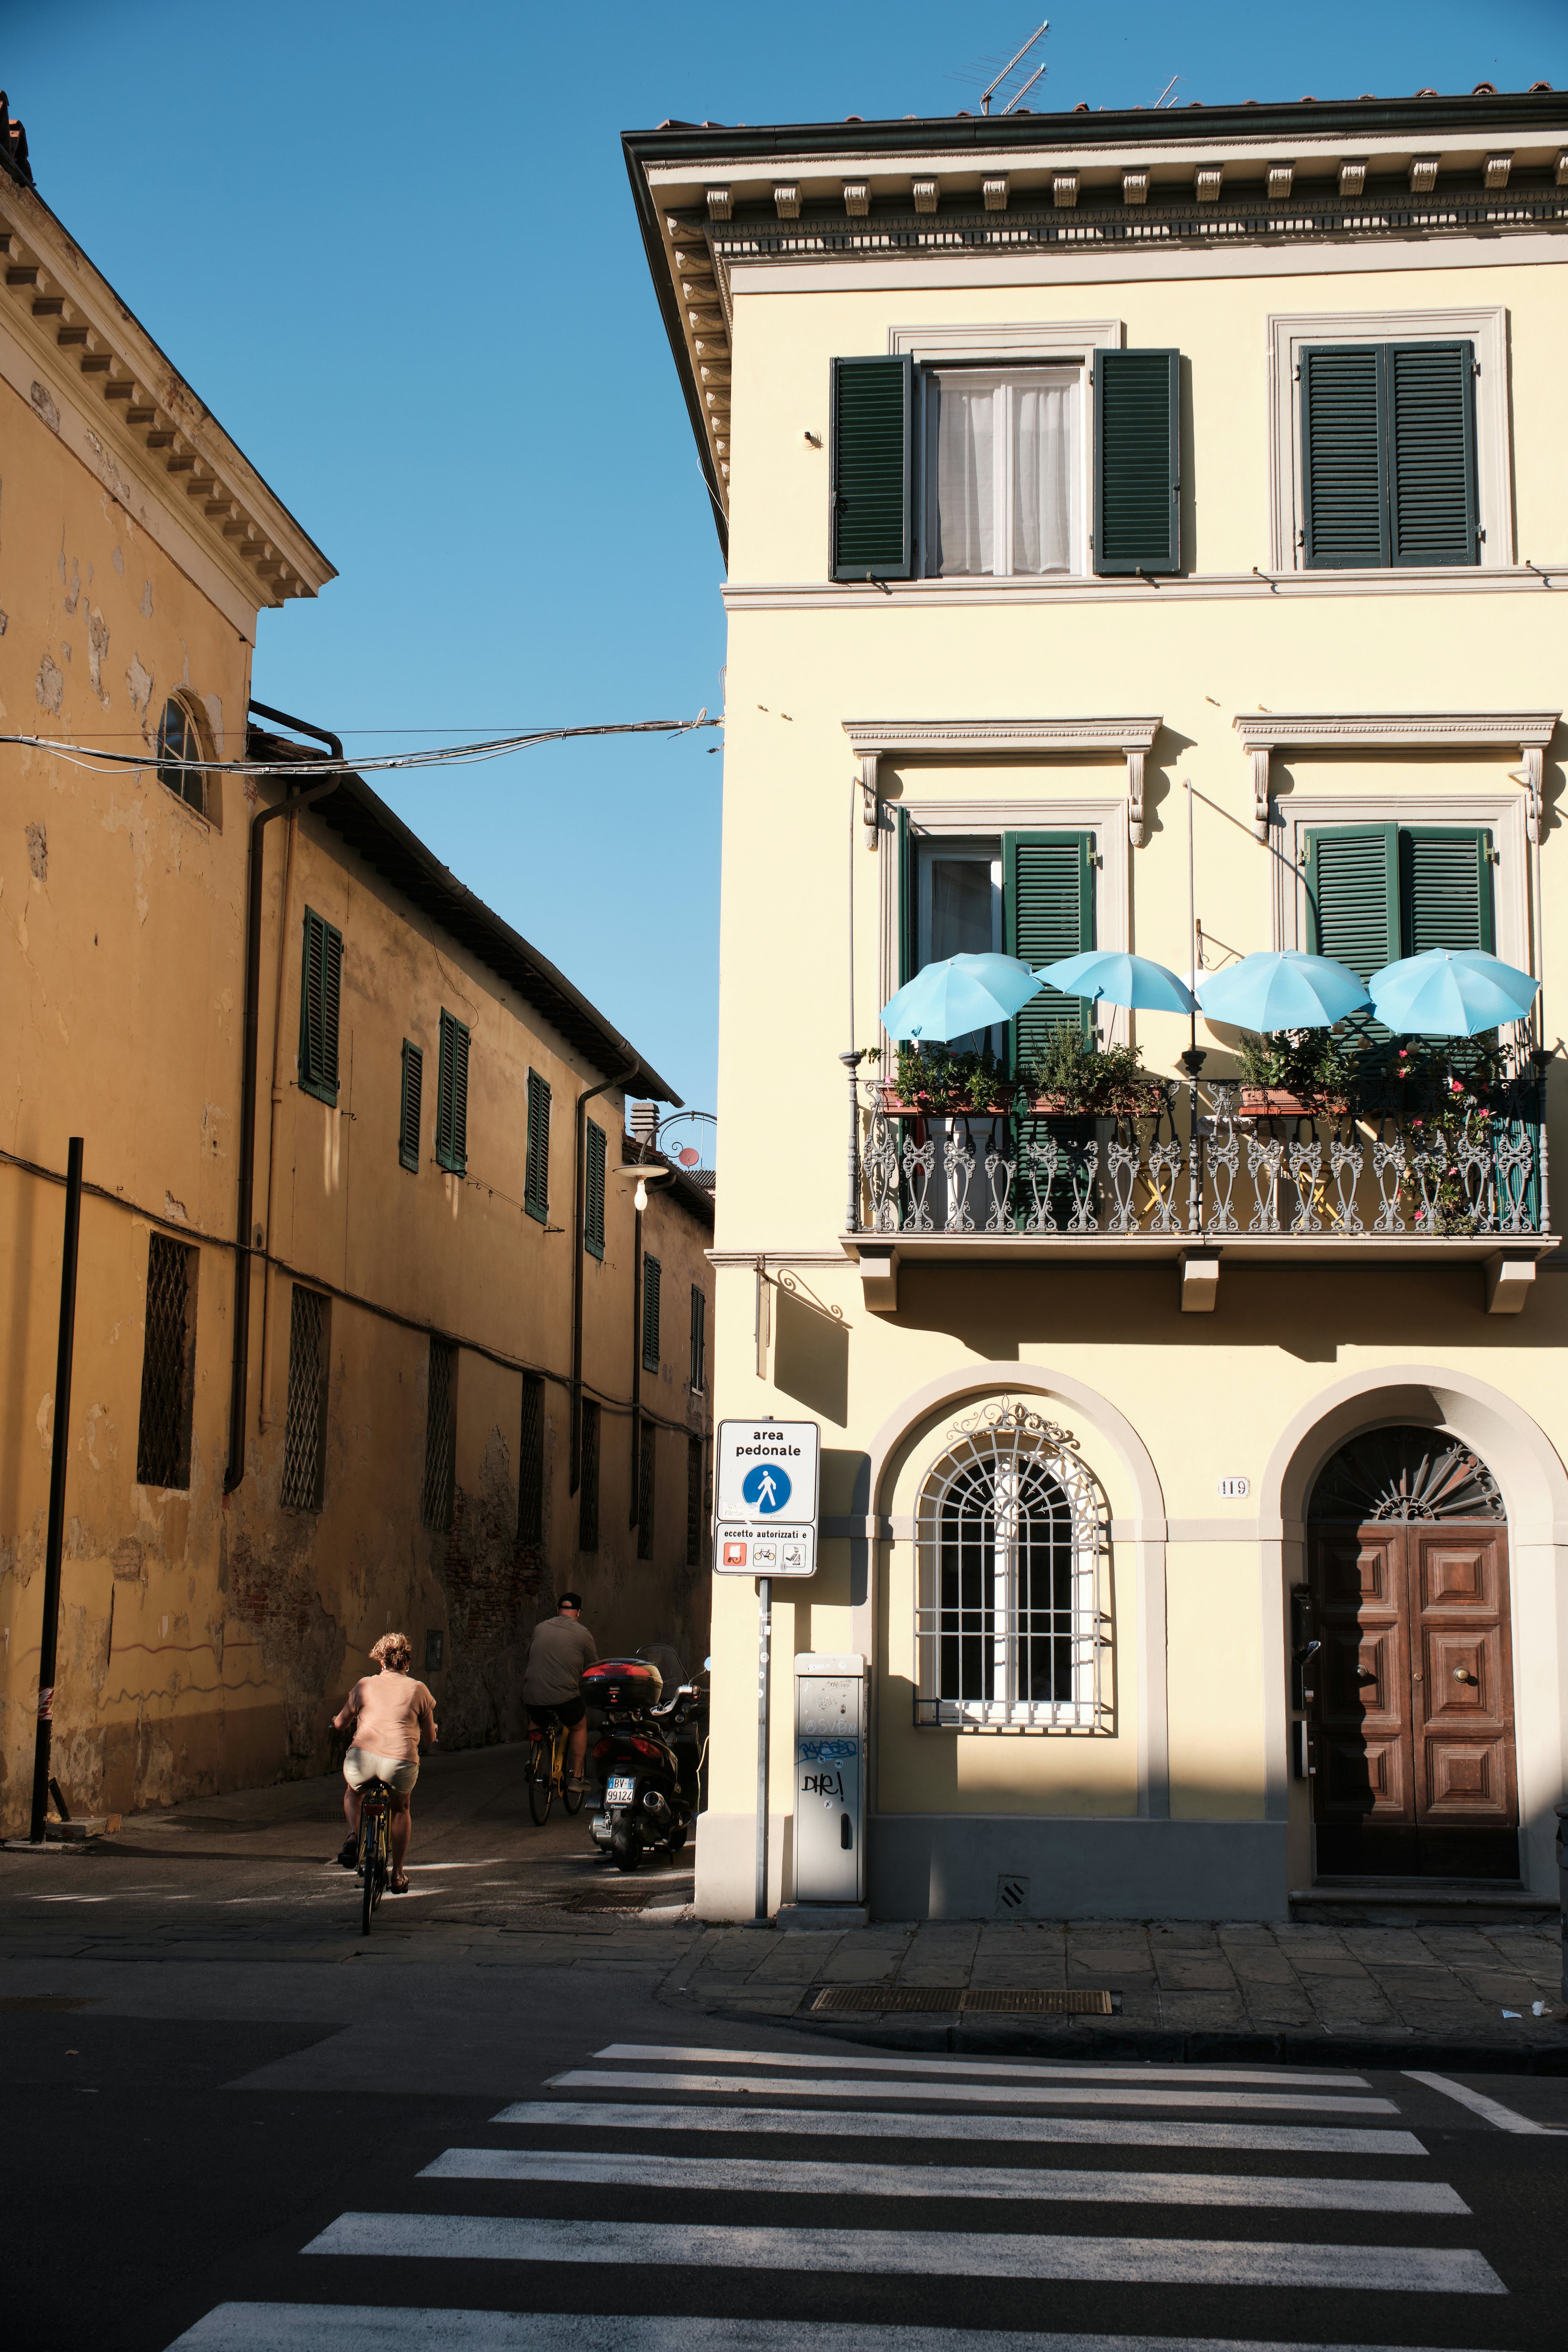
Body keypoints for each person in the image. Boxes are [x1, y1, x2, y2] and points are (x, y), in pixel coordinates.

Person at [333, 1632, 436, 1892]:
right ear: (407, 1662)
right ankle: (398, 1875)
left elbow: (340, 1723)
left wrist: (338, 1720)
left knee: (354, 1792)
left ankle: (354, 1836)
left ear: (381, 1661)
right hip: (399, 1764)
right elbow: (431, 1737)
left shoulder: (364, 1685)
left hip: (362, 1761)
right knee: (401, 1808)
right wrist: (430, 1727)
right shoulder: (418, 1689)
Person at [523, 1591, 598, 1791]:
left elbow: (529, 1655)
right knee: (579, 1726)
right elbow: (594, 1667)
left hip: (533, 1694)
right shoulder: (583, 1633)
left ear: (558, 1610)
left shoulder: (540, 1628)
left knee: (536, 1719)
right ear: (578, 1613)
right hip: (565, 1697)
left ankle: (534, 1762)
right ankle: (578, 1778)